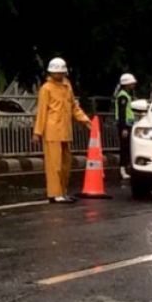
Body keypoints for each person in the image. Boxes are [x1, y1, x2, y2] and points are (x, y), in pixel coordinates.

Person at [32, 57, 91, 204]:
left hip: (65, 130)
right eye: (56, 73)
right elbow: (42, 112)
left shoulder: (67, 86)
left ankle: (63, 192)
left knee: (66, 164)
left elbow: (73, 107)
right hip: (52, 131)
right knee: (54, 165)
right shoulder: (46, 88)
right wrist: (37, 132)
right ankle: (55, 193)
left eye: (61, 73)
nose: (59, 75)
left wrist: (86, 121)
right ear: (51, 73)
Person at [114, 73, 138, 180]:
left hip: (128, 125)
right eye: (131, 83)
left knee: (127, 147)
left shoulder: (126, 94)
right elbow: (122, 112)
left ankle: (125, 168)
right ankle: (122, 170)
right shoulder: (123, 96)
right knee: (124, 148)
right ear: (127, 84)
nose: (133, 84)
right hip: (124, 126)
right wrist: (123, 128)